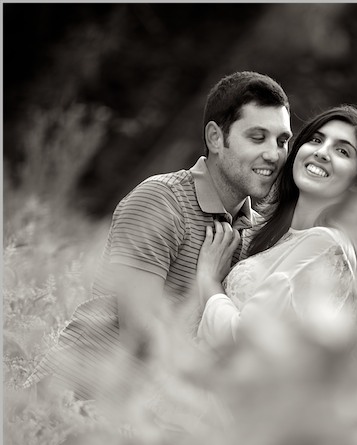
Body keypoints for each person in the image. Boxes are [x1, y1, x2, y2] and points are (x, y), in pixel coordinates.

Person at [24, 71, 292, 401]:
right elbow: (138, 331)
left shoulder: (258, 236)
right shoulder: (161, 201)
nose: (274, 154)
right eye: (257, 137)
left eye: (282, 140)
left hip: (148, 424)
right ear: (215, 138)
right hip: (68, 403)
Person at [195, 105, 357, 349]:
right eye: (316, 140)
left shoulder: (326, 245)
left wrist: (209, 281)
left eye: (342, 151)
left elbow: (243, 340)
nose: (322, 153)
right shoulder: (280, 234)